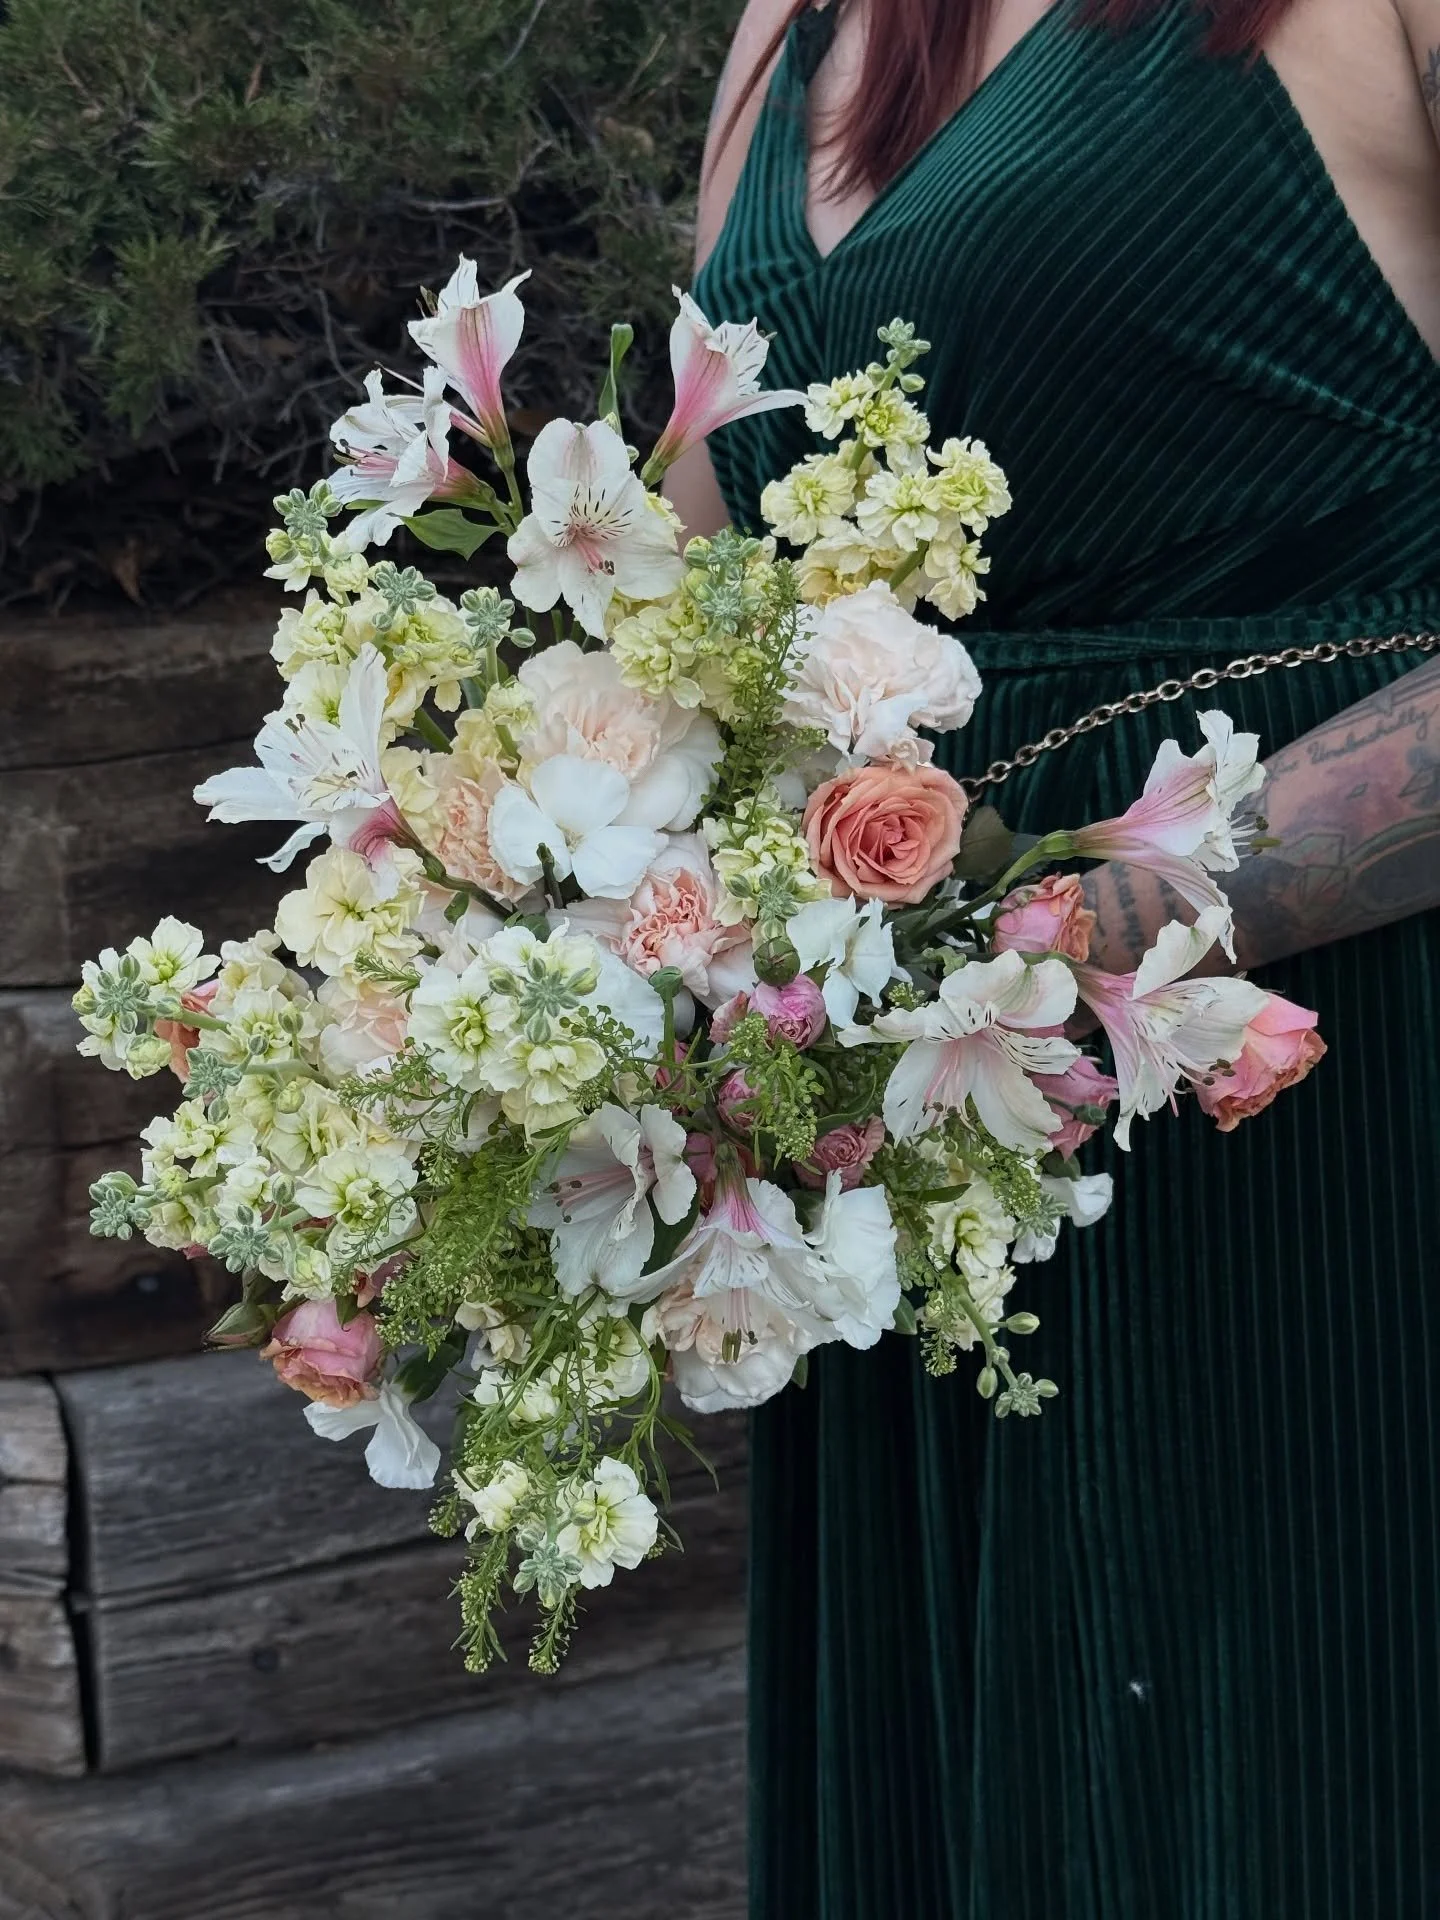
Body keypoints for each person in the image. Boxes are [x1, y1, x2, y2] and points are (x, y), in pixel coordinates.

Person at [666, 0, 1440, 1912]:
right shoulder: (801, 25)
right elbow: (694, 614)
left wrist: (1083, 940)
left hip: (1325, 1131)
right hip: (917, 1169)